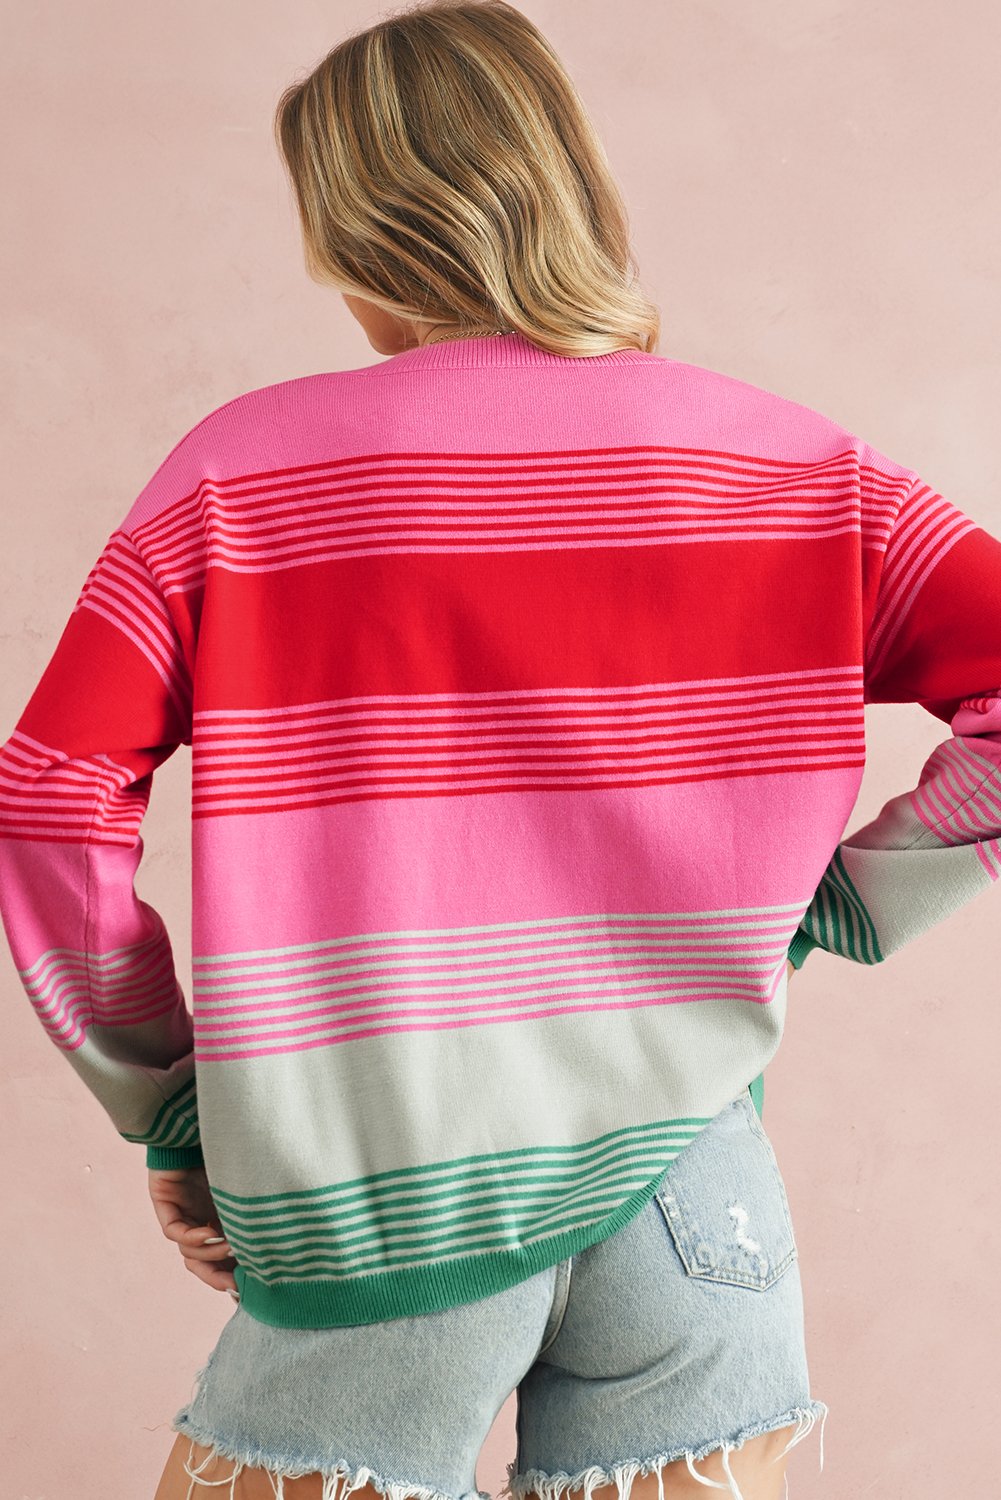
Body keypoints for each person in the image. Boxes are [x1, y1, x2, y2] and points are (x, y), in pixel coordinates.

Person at [2, 3, 999, 1498]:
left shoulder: (236, 478)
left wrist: (171, 1103)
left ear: (350, 232)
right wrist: (843, 906)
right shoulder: (794, 468)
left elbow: (49, 800)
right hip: (694, 1185)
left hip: (386, 1195)